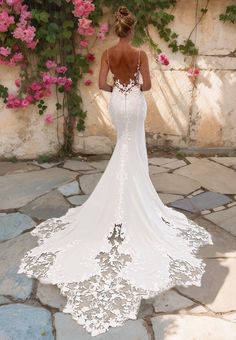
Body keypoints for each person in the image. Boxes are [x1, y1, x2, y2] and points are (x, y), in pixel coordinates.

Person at [17, 6, 213, 337]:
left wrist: (120, 88)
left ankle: (120, 196)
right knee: (131, 148)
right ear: (131, 29)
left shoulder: (108, 52)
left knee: (122, 145)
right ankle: (133, 195)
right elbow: (147, 86)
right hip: (134, 101)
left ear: (115, 29)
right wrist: (133, 82)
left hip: (117, 104)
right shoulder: (138, 53)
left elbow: (103, 85)